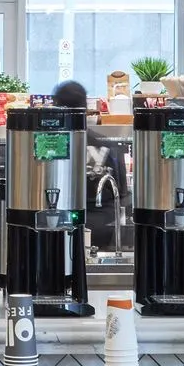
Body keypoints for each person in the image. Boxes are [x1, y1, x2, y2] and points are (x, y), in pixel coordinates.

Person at [54, 80, 130, 250]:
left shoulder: (52, 146)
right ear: (85, 107)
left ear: (57, 106)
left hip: (59, 222)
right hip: (102, 225)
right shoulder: (107, 146)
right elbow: (122, 192)